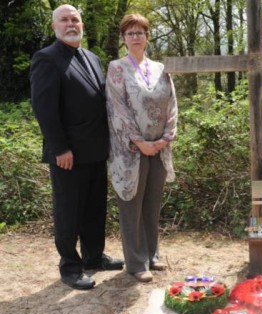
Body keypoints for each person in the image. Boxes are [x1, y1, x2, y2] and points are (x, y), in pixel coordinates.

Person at [30, 4, 123, 290]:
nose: (71, 24)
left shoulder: (92, 58)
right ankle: (70, 266)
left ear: (82, 24)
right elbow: (44, 109)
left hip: (96, 150)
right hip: (68, 154)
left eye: (75, 19)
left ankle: (93, 256)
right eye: (64, 20)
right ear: (54, 26)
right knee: (69, 211)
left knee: (95, 209)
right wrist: (60, 148)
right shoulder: (46, 59)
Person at [106, 14, 178, 283]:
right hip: (130, 151)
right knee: (131, 205)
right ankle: (136, 263)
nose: (135, 36)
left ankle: (153, 254)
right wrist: (139, 142)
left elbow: (173, 105)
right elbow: (117, 109)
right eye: (130, 32)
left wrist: (165, 139)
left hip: (159, 148)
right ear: (124, 38)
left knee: (152, 204)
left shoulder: (161, 68)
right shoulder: (116, 68)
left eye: (140, 32)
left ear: (147, 37)